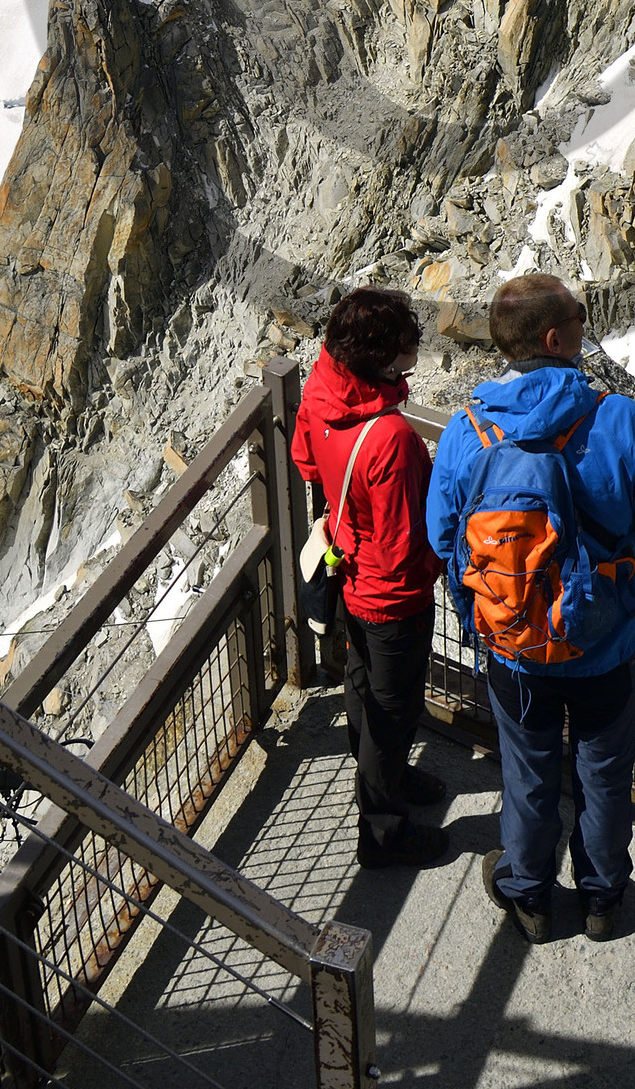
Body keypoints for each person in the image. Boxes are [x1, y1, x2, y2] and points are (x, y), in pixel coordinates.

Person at [426, 272, 635, 942]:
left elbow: (441, 535)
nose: (587, 321)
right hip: (605, 646)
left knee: (528, 774)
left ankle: (529, 896)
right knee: (603, 775)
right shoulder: (617, 420)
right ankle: (603, 899)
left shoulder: (468, 431)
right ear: (556, 337)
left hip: (514, 647)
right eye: (580, 314)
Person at [292, 286, 447, 869]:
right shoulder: (393, 438)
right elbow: (408, 548)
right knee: (394, 709)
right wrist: (445, 563)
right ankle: (382, 833)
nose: (415, 350)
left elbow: (307, 460)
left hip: (350, 575)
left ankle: (391, 777)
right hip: (392, 595)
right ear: (383, 358)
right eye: (407, 344)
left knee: (364, 688)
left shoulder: (321, 388)